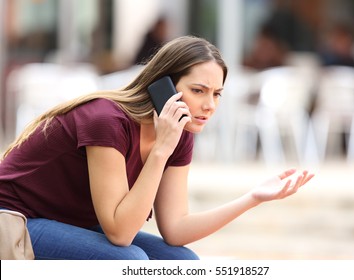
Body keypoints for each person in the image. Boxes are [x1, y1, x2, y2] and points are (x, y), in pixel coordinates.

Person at [0, 35, 314, 260]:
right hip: (14, 219)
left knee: (182, 263)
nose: (209, 105)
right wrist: (161, 150)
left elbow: (175, 229)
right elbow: (120, 234)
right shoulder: (106, 120)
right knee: (130, 263)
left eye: (217, 93)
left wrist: (253, 197)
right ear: (161, 86)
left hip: (68, 221)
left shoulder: (180, 131)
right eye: (197, 90)